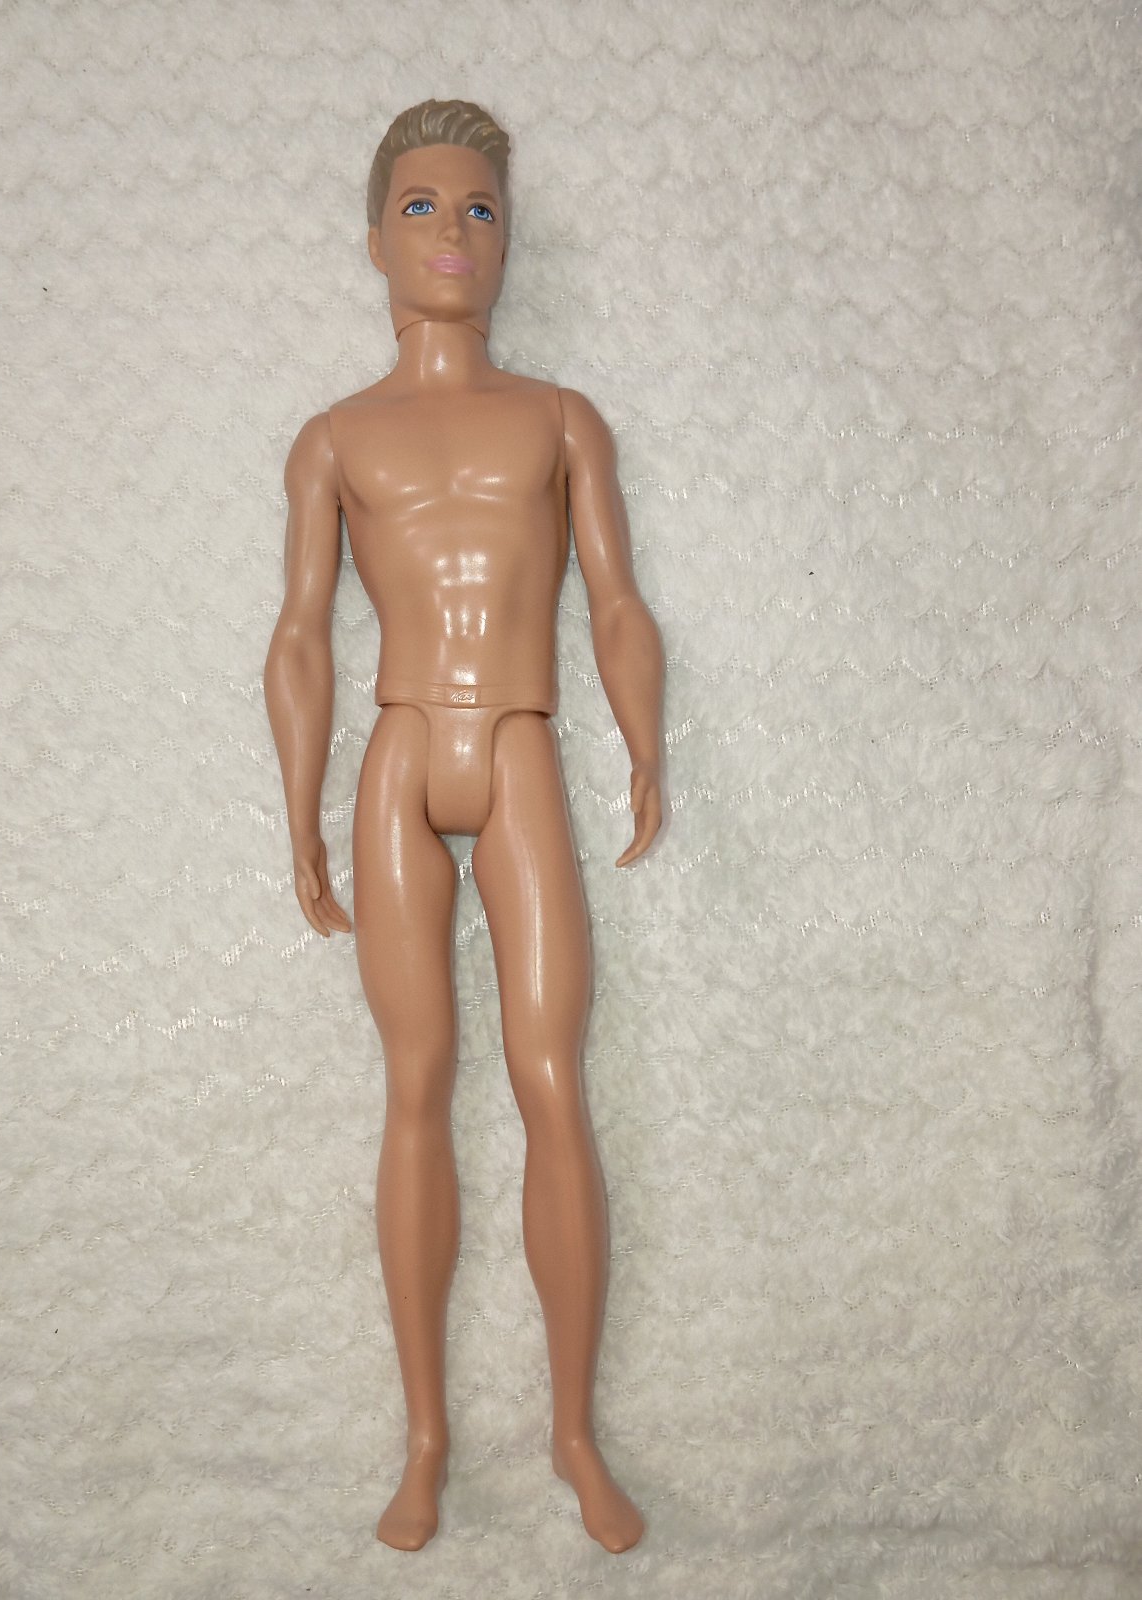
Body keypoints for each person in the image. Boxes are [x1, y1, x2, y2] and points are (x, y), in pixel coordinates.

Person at [264, 99, 663, 1554]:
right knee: (417, 1084)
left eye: (482, 208)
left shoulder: (561, 419)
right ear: (375, 240)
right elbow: (300, 633)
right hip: (395, 756)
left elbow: (615, 601)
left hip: (519, 747)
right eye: (422, 207)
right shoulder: (334, 438)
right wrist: (300, 809)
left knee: (553, 1078)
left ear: (512, 242)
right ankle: (425, 1440)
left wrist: (647, 737)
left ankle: (574, 1433)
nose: (453, 232)